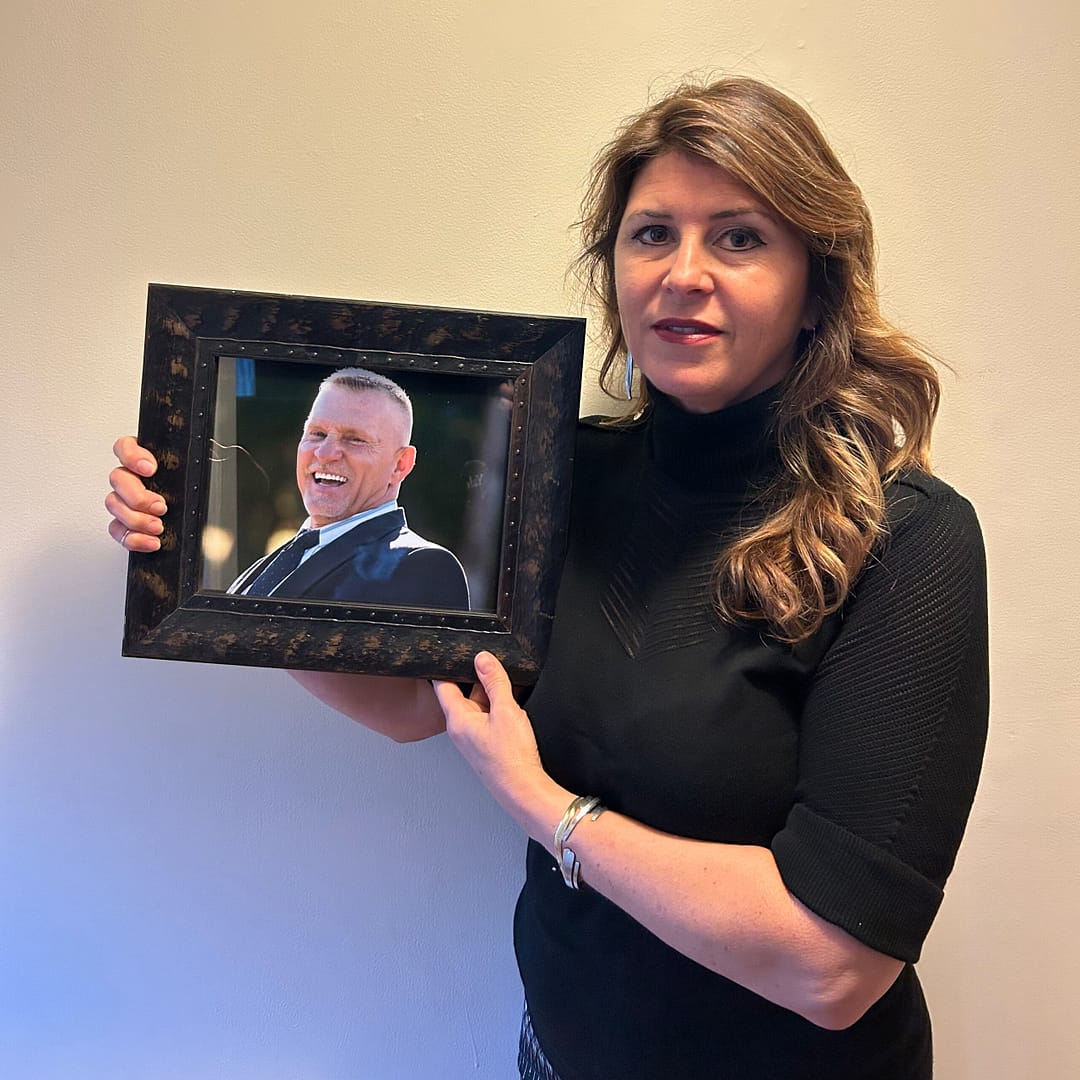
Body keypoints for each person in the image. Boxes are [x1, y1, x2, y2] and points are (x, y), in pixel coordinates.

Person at [106, 76, 988, 1079]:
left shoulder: (909, 540)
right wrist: (201, 566)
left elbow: (834, 969)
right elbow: (420, 706)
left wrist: (545, 807)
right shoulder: (561, 477)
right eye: (652, 234)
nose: (683, 273)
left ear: (814, 281)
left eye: (739, 238)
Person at [226, 367, 470, 609]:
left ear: (400, 465)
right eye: (318, 433)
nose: (324, 453)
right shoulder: (266, 567)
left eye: (355, 439)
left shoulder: (423, 568)